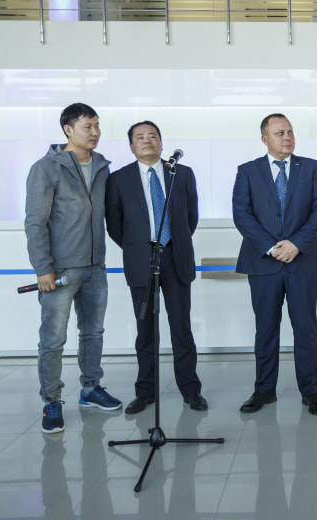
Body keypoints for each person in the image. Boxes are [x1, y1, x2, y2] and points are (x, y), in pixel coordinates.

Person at [25, 102, 121, 434]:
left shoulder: (102, 167)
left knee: (93, 333)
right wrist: (43, 269)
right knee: (53, 339)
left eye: (97, 126)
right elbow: (35, 222)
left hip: (96, 266)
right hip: (60, 270)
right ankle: (51, 400)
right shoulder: (46, 168)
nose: (95, 132)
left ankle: (91, 388)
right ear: (68, 130)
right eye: (87, 126)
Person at [232, 113, 317, 415]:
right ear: (265, 139)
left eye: (290, 132)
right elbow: (242, 214)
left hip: (303, 261)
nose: (287, 137)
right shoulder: (248, 171)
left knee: (306, 329)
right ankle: (264, 391)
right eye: (279, 133)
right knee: (265, 330)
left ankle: (311, 393)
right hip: (263, 263)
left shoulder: (312, 168)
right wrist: (271, 248)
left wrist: (296, 244)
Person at [105, 121, 207, 414]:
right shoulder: (119, 179)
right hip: (141, 259)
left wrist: (174, 242)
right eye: (140, 137)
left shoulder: (182, 174)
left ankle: (191, 390)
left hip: (176, 255)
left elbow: (191, 217)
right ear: (131, 146)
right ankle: (145, 392)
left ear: (161, 143)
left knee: (181, 328)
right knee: (145, 330)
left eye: (153, 136)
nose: (147, 140)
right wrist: (139, 246)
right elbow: (115, 225)